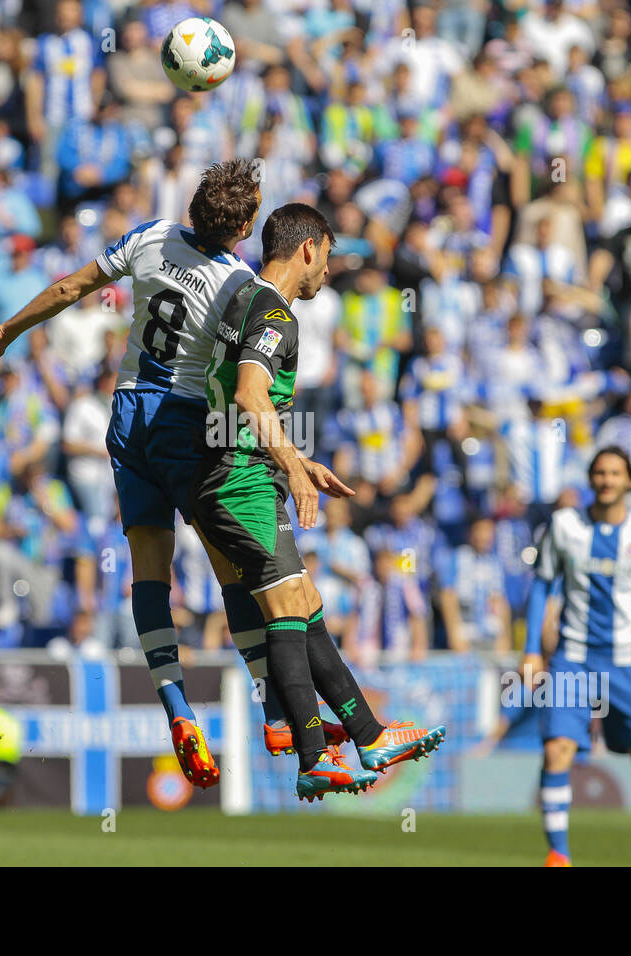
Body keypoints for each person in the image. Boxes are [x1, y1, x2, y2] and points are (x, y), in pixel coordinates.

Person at [0, 161, 347, 790]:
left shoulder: (151, 237)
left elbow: (70, 287)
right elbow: (245, 394)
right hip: (186, 427)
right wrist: (289, 458)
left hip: (126, 416)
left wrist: (6, 332)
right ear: (242, 228)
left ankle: (176, 706)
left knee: (147, 570)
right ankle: (275, 708)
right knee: (233, 563)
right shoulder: (243, 286)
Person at [191, 203, 446, 801]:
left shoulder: (241, 299)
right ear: (307, 248)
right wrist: (291, 468)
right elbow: (253, 395)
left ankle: (366, 734)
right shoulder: (274, 312)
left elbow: (233, 401)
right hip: (240, 478)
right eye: (328, 257)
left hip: (237, 469)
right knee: (288, 603)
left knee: (302, 601)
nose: (328, 271)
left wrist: (301, 463)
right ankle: (313, 754)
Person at [521, 446, 631, 867]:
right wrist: (531, 651)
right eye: (600, 473)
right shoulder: (564, 525)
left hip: (629, 663)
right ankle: (558, 855)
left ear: (629, 482)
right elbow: (541, 585)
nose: (607, 480)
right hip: (573, 658)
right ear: (591, 479)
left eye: (615, 473)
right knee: (557, 750)